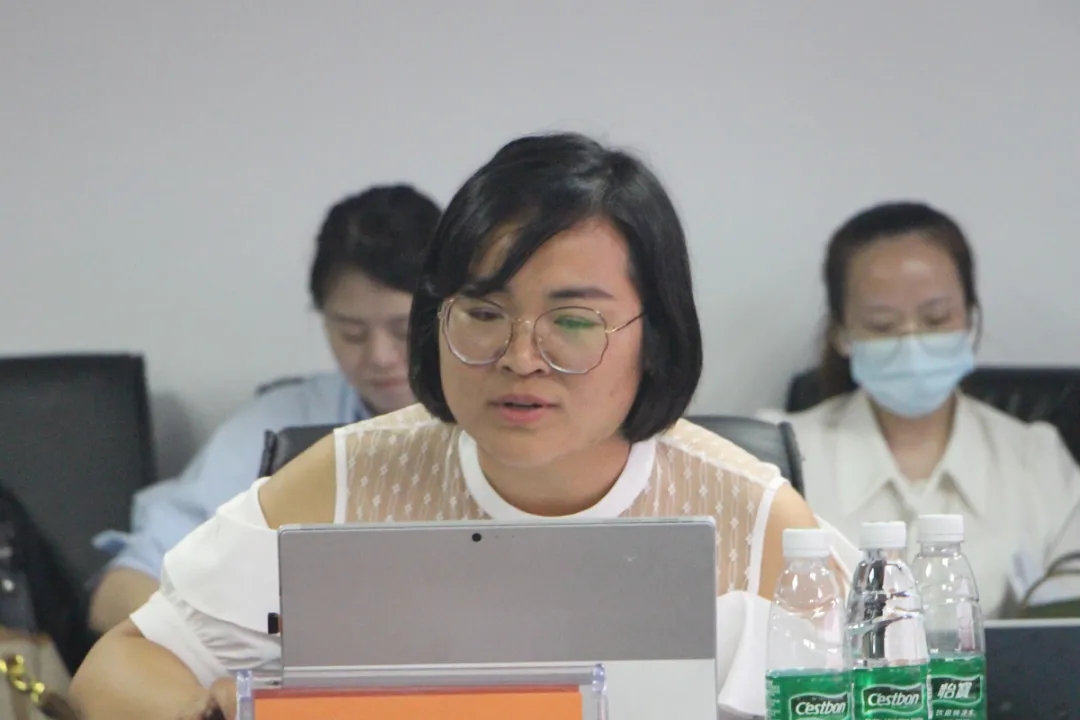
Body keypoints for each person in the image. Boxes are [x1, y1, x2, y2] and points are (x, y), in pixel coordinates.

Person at [70, 132, 849, 720]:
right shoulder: (349, 478)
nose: (520, 358)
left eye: (573, 321)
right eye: (482, 313)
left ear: (657, 336)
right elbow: (122, 663)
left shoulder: (751, 517)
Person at [87, 185, 442, 634]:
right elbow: (122, 588)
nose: (380, 356)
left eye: (403, 330)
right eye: (351, 333)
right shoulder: (281, 424)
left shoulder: (505, 416)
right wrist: (242, 641)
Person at [759, 201, 1080, 617]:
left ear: (970, 319)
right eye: (882, 325)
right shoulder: (777, 456)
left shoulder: (1035, 460)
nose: (911, 342)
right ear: (841, 333)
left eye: (936, 318)